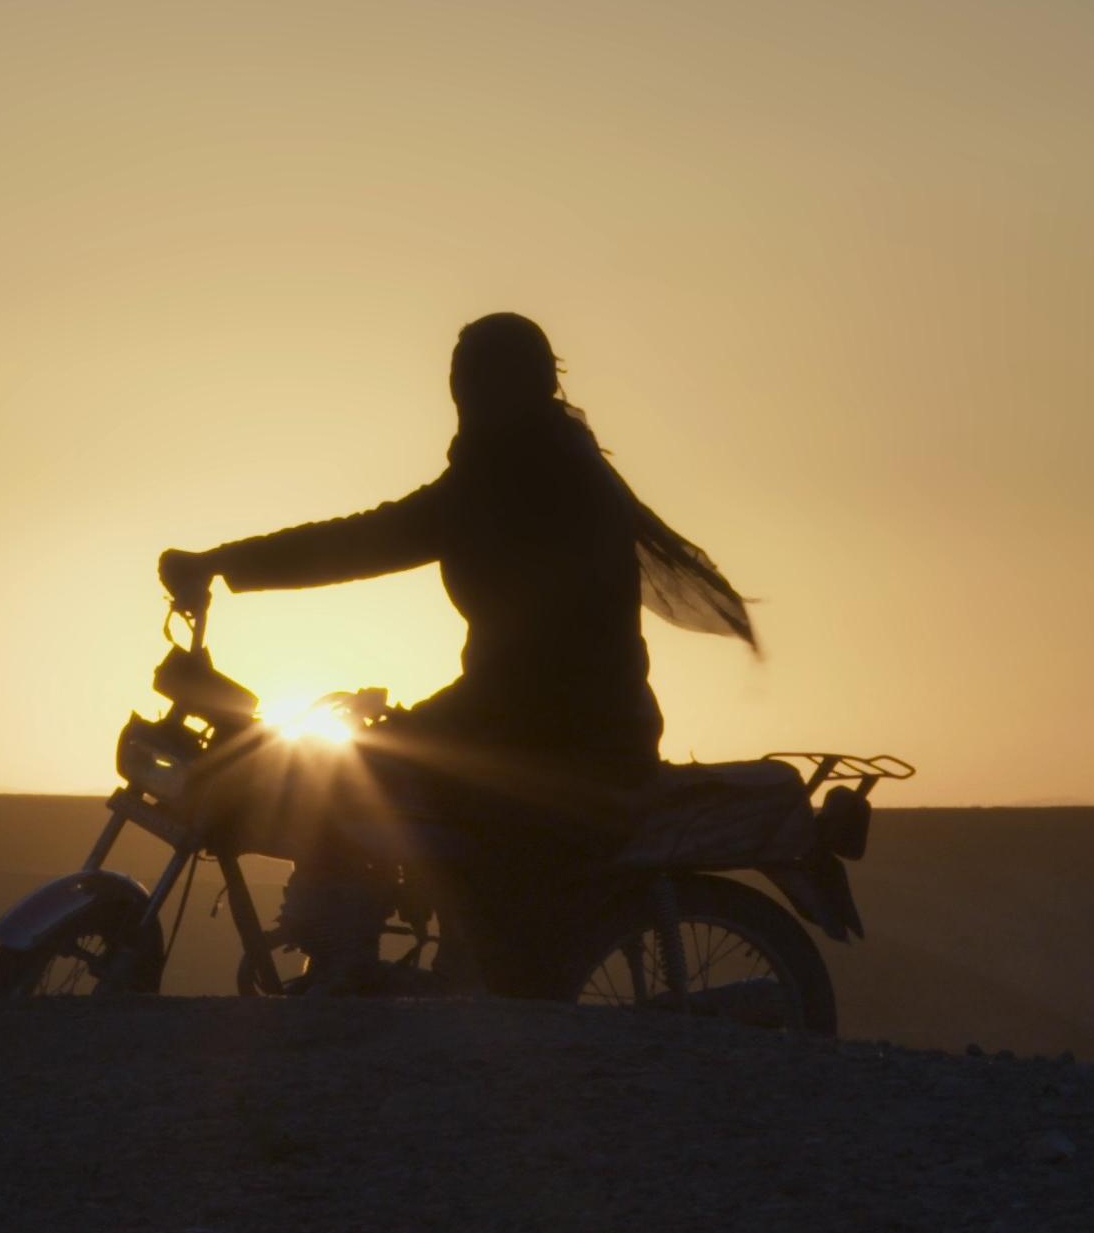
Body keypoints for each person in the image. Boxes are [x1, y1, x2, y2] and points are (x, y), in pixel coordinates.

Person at [159, 311, 755, 993]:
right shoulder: (520, 465)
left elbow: (372, 543)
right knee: (370, 767)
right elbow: (379, 543)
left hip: (563, 737)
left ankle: (386, 979)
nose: (464, 394)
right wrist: (224, 563)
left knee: (352, 775)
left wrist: (220, 563)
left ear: (512, 386)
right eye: (459, 378)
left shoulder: (527, 479)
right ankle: (385, 957)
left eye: (476, 379)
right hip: (523, 719)